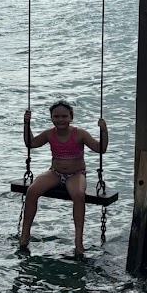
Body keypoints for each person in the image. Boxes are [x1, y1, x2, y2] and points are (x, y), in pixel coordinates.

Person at [19, 101, 108, 255]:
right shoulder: (49, 134)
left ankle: (78, 241)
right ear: (51, 118)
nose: (60, 119)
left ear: (71, 118)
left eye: (64, 116)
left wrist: (104, 130)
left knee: (78, 195)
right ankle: (24, 234)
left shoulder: (80, 134)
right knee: (32, 191)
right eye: (56, 116)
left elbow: (100, 149)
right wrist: (26, 124)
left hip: (76, 174)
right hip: (55, 172)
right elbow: (31, 143)